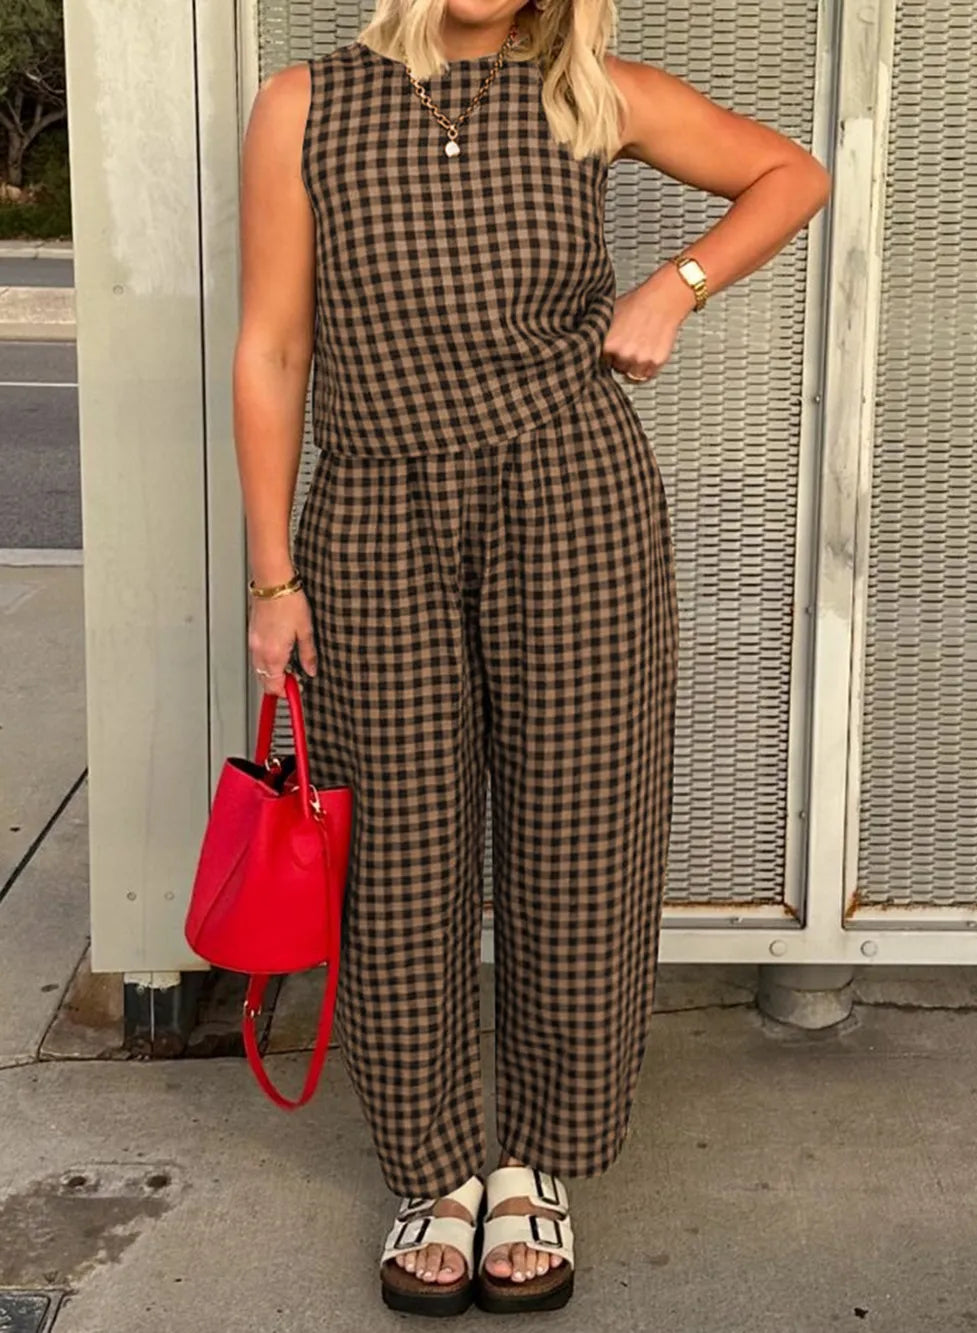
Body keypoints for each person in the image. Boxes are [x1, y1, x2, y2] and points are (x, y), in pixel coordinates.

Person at [232, 0, 830, 1316]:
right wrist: (273, 576)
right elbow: (273, 345)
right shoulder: (306, 106)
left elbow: (792, 173)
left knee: (582, 833)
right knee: (396, 849)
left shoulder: (592, 93)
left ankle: (539, 1159)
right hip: (375, 507)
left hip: (573, 496)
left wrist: (674, 287)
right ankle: (433, 1169)